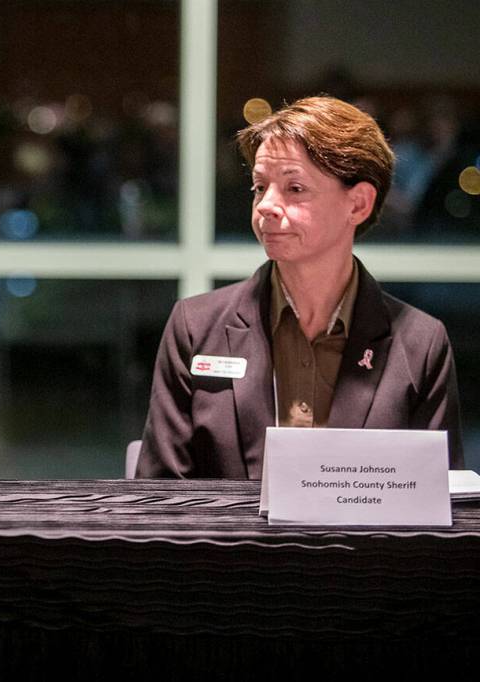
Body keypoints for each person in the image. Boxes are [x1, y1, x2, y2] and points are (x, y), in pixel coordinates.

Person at [138, 96, 463, 479]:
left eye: (294, 188)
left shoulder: (421, 344)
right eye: (260, 187)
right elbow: (158, 497)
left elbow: (438, 501)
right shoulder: (195, 327)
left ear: (358, 204)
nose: (266, 205)